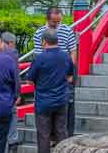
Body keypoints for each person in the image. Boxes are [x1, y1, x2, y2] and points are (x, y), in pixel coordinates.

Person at [25, 29, 73, 153]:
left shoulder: (39, 58)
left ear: (44, 42)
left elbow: (29, 80)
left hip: (44, 101)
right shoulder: (66, 56)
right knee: (61, 131)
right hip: (61, 99)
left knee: (44, 135)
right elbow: (70, 77)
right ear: (57, 41)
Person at [33, 7, 77, 138]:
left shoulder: (67, 30)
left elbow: (73, 51)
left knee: (67, 105)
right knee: (48, 108)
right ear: (47, 19)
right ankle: (52, 136)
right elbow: (38, 56)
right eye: (54, 22)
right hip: (47, 76)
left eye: (59, 21)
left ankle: (67, 136)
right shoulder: (39, 33)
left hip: (64, 73)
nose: (57, 24)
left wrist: (70, 70)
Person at [2, 31, 24, 148]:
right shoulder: (12, 53)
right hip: (8, 91)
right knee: (13, 113)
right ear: (10, 43)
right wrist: (18, 93)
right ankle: (12, 139)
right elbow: (16, 75)